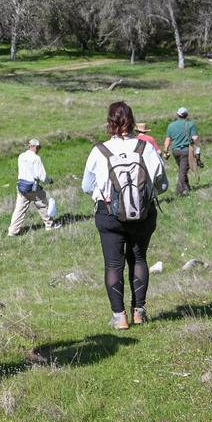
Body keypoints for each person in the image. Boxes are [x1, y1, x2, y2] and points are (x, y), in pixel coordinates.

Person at [82, 102, 168, 330]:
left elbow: (86, 186)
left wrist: (106, 195)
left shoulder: (99, 150)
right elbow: (163, 183)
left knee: (113, 264)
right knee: (139, 259)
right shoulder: (145, 147)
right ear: (131, 121)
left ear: (109, 122)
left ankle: (119, 317)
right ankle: (139, 312)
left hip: (108, 214)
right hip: (142, 214)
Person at [8, 139, 56, 234]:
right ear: (36, 147)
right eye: (39, 147)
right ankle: (49, 225)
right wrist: (49, 181)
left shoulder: (21, 156)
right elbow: (42, 176)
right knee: (43, 205)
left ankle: (12, 231)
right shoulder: (36, 158)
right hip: (32, 188)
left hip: (21, 187)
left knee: (19, 210)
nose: (39, 149)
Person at [162, 107, 200, 196]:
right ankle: (178, 191)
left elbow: (168, 140)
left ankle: (187, 187)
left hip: (175, 151)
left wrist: (166, 151)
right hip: (186, 151)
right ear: (186, 115)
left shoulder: (171, 125)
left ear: (177, 115)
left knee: (182, 169)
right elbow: (195, 138)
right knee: (183, 171)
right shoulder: (190, 124)